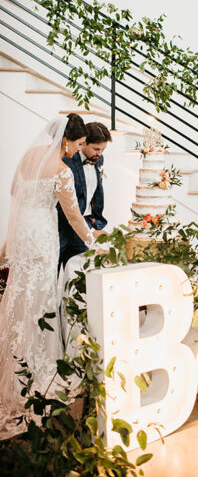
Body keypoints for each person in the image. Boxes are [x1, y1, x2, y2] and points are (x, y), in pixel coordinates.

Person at [0, 114, 101, 440]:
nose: (78, 151)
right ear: (68, 140)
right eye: (80, 144)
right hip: (42, 236)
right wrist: (92, 242)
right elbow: (72, 215)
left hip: (22, 233)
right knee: (40, 296)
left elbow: (15, 190)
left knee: (18, 292)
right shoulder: (61, 170)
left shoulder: (30, 156)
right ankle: (34, 366)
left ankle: (10, 355)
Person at [58, 121, 112, 270]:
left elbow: (94, 195)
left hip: (83, 231)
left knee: (79, 276)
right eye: (96, 149)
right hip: (60, 228)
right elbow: (62, 203)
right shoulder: (65, 160)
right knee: (51, 276)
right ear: (84, 143)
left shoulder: (99, 159)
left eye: (103, 149)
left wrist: (93, 226)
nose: (99, 153)